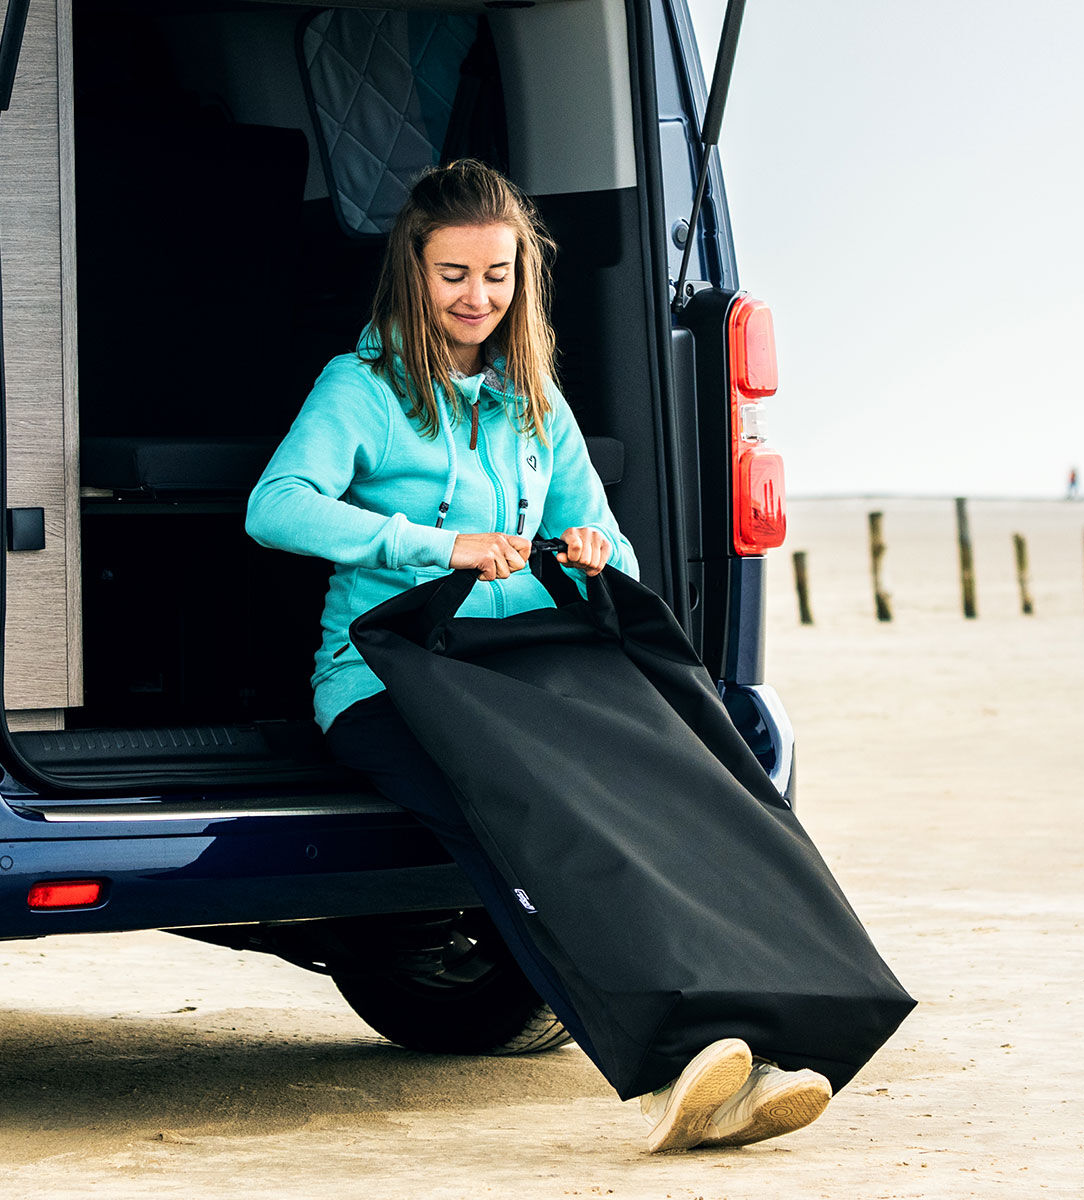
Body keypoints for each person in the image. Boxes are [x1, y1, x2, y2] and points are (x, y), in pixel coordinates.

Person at [246, 160, 832, 1153]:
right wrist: (435, 546)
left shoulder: (533, 401)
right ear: (412, 273)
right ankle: (666, 1073)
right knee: (532, 830)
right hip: (388, 675)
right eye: (453, 274)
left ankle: (745, 1044)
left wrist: (598, 556)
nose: (477, 296)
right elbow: (277, 508)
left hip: (517, 666)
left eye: (497, 275)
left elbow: (607, 540)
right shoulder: (364, 388)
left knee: (653, 809)